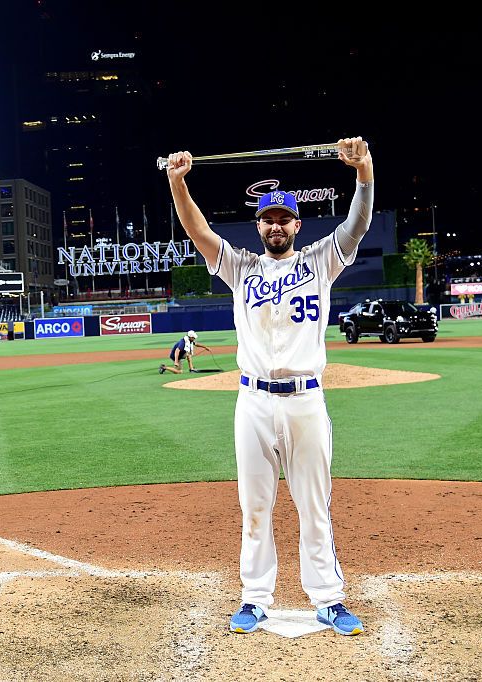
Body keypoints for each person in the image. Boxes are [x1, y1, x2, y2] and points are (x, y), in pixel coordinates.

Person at [165, 136, 374, 636]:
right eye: (268, 219)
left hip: (305, 399)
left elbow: (358, 223)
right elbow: (198, 230)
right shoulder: (242, 267)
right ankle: (255, 599)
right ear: (258, 226)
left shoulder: (320, 260)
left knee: (313, 504)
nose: (276, 225)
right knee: (254, 506)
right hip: (253, 402)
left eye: (284, 218)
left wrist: (363, 171)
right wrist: (178, 182)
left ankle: (329, 599)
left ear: (297, 225)